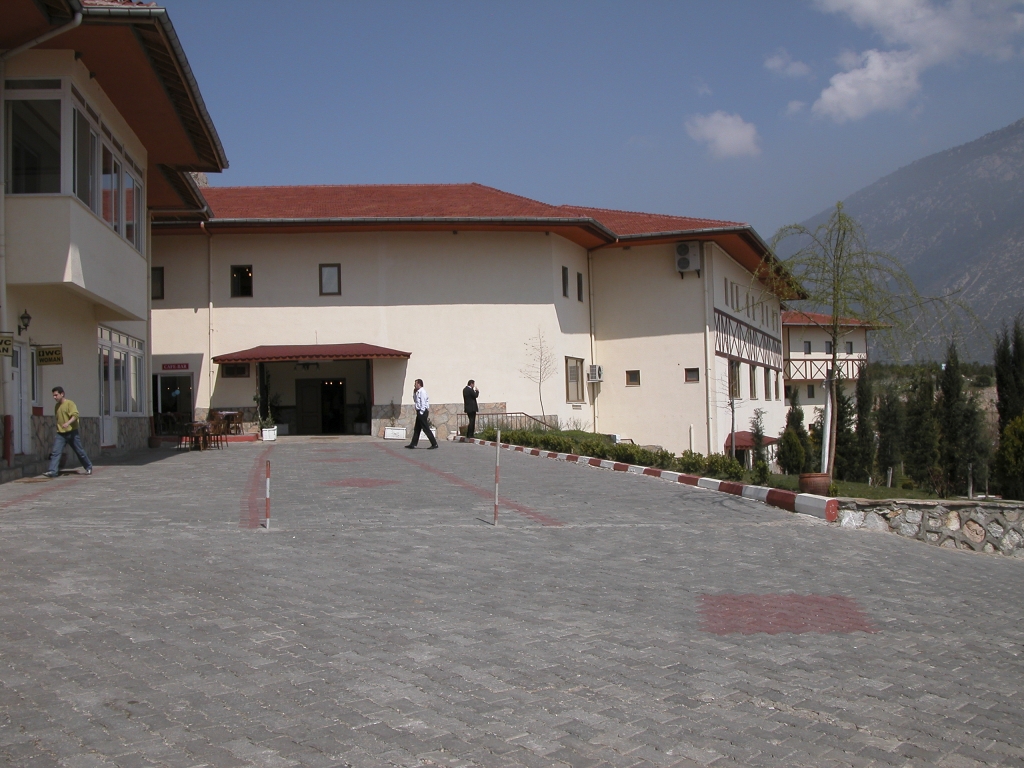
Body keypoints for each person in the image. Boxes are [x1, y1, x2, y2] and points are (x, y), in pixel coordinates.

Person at [44, 386, 93, 478]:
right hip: (61, 433)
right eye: (53, 396)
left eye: (56, 395)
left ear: (62, 394)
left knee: (79, 451)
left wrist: (68, 423)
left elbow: (75, 415)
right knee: (56, 452)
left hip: (72, 432)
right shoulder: (57, 406)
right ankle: (53, 471)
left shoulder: (70, 403)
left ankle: (88, 467)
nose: (54, 397)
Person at [405, 379, 438, 449]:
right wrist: (414, 393)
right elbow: (415, 400)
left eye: (415, 384)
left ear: (419, 384)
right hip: (419, 411)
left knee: (426, 428)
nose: (414, 385)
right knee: (417, 428)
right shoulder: (418, 392)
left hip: (422, 412)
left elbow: (423, 403)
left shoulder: (422, 392)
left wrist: (421, 412)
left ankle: (434, 443)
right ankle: (413, 444)